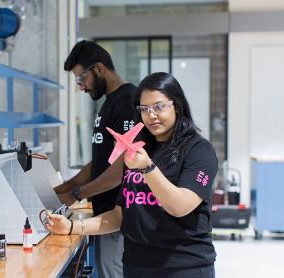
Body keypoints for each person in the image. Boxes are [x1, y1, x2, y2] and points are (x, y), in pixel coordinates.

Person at [47, 72, 218, 278]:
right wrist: (73, 226)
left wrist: (147, 168)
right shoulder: (138, 151)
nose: (151, 115)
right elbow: (119, 216)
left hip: (183, 268)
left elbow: (180, 206)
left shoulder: (198, 151)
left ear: (177, 106)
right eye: (144, 109)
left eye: (159, 107)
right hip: (135, 266)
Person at [54, 40, 139, 278]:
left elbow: (122, 167)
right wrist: (66, 186)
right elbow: (102, 160)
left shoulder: (127, 102)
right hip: (105, 214)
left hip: (119, 217)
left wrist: (76, 194)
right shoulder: (110, 103)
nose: (81, 87)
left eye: (82, 79)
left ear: (99, 68)